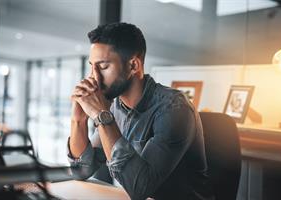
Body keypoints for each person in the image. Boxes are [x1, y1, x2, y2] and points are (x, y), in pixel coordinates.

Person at [68, 22, 213, 200]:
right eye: (92, 66)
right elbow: (81, 170)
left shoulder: (175, 109)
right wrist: (78, 120)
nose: (94, 77)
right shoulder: (115, 107)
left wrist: (102, 116)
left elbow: (140, 189)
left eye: (103, 67)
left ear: (134, 66)